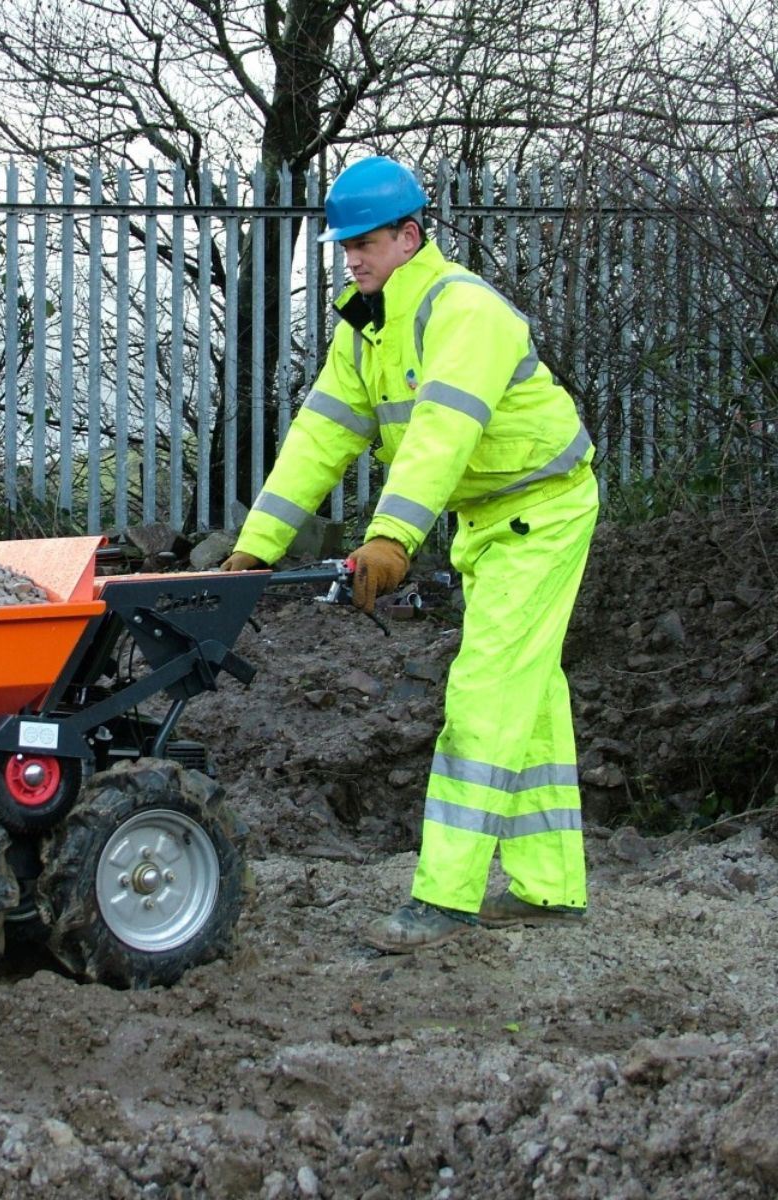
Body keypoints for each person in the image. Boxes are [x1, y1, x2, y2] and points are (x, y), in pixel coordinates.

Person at [222, 155, 599, 952]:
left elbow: (441, 436)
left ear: (410, 236)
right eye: (344, 244)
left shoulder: (463, 311)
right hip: (491, 520)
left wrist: (391, 536)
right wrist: (256, 547)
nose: (352, 256)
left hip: (543, 510)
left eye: (366, 241)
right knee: (526, 699)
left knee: (484, 694)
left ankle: (445, 898)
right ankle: (550, 888)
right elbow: (319, 436)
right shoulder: (367, 328)